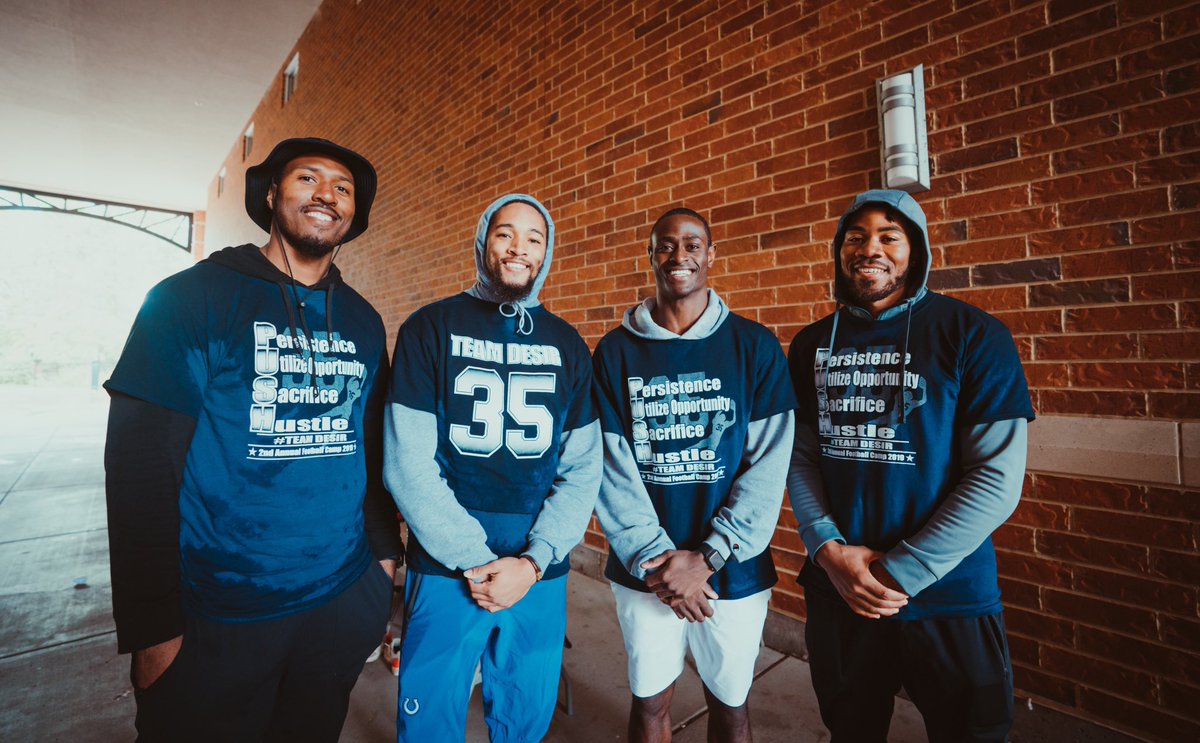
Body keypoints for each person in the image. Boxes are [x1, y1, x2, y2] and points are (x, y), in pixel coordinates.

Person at [104, 137, 401, 742]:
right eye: (307, 179)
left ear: (354, 214)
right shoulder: (190, 299)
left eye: (342, 188)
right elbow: (139, 467)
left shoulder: (363, 320)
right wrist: (151, 625)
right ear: (270, 194)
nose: (326, 195)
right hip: (217, 611)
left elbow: (371, 451)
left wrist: (381, 564)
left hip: (340, 599)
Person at [786, 189, 1035, 742]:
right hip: (839, 590)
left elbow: (996, 479)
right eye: (856, 236)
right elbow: (800, 458)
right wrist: (827, 549)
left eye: (888, 235)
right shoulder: (809, 345)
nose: (869, 248)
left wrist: (894, 573)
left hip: (949, 593)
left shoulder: (974, 335)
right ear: (839, 250)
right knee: (851, 730)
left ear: (915, 249)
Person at [384, 194, 601, 742]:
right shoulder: (429, 328)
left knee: (524, 721)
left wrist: (531, 563)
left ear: (547, 253)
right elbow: (407, 463)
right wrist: (478, 565)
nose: (519, 248)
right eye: (506, 233)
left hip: (538, 576)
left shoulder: (569, 345)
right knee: (429, 722)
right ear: (483, 242)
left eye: (535, 238)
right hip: (446, 567)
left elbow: (582, 470)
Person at [592, 208, 796, 742]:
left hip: (733, 570)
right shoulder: (615, 352)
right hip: (646, 571)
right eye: (665, 245)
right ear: (651, 256)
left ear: (710, 255)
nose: (678, 256)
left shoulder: (754, 347)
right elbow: (610, 468)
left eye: (691, 244)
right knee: (651, 706)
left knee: (730, 710)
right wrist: (659, 565)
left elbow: (769, 464)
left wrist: (706, 558)